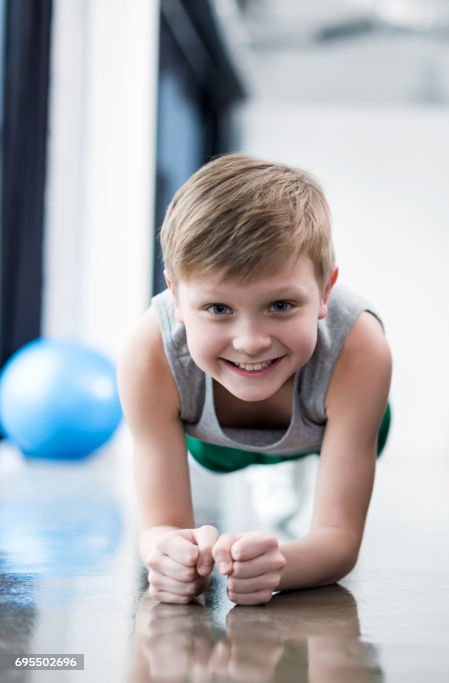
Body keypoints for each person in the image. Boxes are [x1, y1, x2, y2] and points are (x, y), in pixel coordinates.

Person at [118, 154, 392, 605]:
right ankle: (270, 472)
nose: (250, 343)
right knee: (219, 455)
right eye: (219, 309)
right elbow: (159, 526)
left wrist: (280, 563)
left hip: (321, 430)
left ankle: (296, 471)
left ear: (325, 292)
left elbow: (338, 541)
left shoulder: (359, 349)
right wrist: (170, 555)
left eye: (281, 306)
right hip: (212, 445)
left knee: (371, 425)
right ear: (177, 299)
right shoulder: (148, 354)